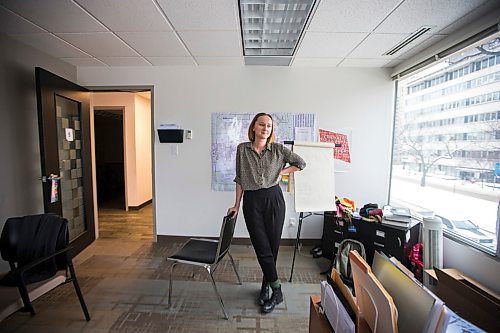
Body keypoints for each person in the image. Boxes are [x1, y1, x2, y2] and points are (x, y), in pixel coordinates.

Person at [227, 113, 306, 313]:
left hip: (274, 200)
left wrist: (281, 172)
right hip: (252, 201)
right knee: (262, 247)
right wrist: (236, 204)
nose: (265, 128)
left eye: (269, 126)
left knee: (272, 248)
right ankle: (277, 290)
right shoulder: (242, 150)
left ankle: (266, 287)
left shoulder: (278, 149)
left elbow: (301, 163)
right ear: (253, 127)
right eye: (261, 124)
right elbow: (239, 179)